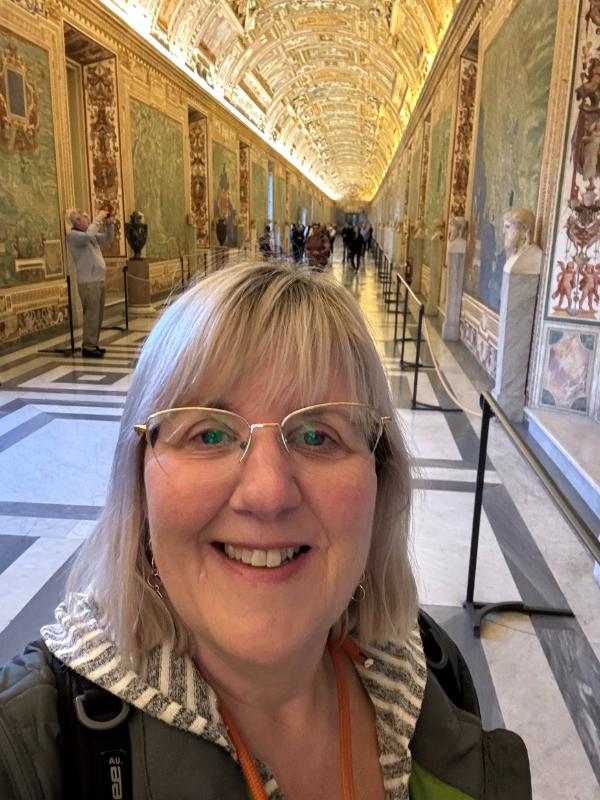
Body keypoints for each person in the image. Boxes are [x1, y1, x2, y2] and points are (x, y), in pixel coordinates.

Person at [0, 263, 531, 799]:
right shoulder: (32, 747)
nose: (268, 493)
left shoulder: (433, 674)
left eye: (317, 436)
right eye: (209, 432)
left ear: (381, 477)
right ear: (138, 477)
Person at [66, 208, 114, 358]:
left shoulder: (89, 235)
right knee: (91, 315)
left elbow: (106, 239)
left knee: (98, 315)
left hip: (98, 280)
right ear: (77, 221)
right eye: (85, 217)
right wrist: (98, 218)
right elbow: (88, 236)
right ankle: (88, 346)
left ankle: (93, 343)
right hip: (88, 283)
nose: (88, 219)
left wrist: (110, 225)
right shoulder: (74, 236)